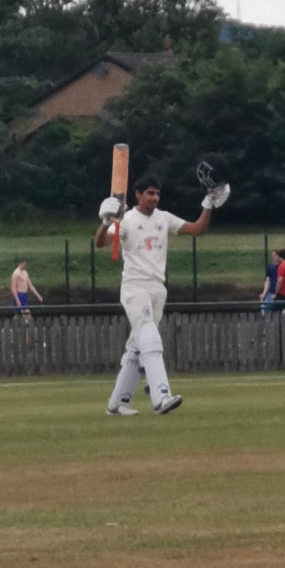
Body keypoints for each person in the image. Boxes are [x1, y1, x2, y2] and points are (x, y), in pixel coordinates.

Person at [96, 172, 230, 416]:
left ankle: (117, 403)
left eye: (157, 194)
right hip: (135, 287)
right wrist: (106, 222)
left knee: (137, 346)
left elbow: (198, 229)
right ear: (138, 194)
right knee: (150, 337)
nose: (155, 198)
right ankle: (161, 396)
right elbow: (100, 243)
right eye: (150, 193)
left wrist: (208, 203)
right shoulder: (126, 220)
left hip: (158, 288)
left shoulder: (164, 218)